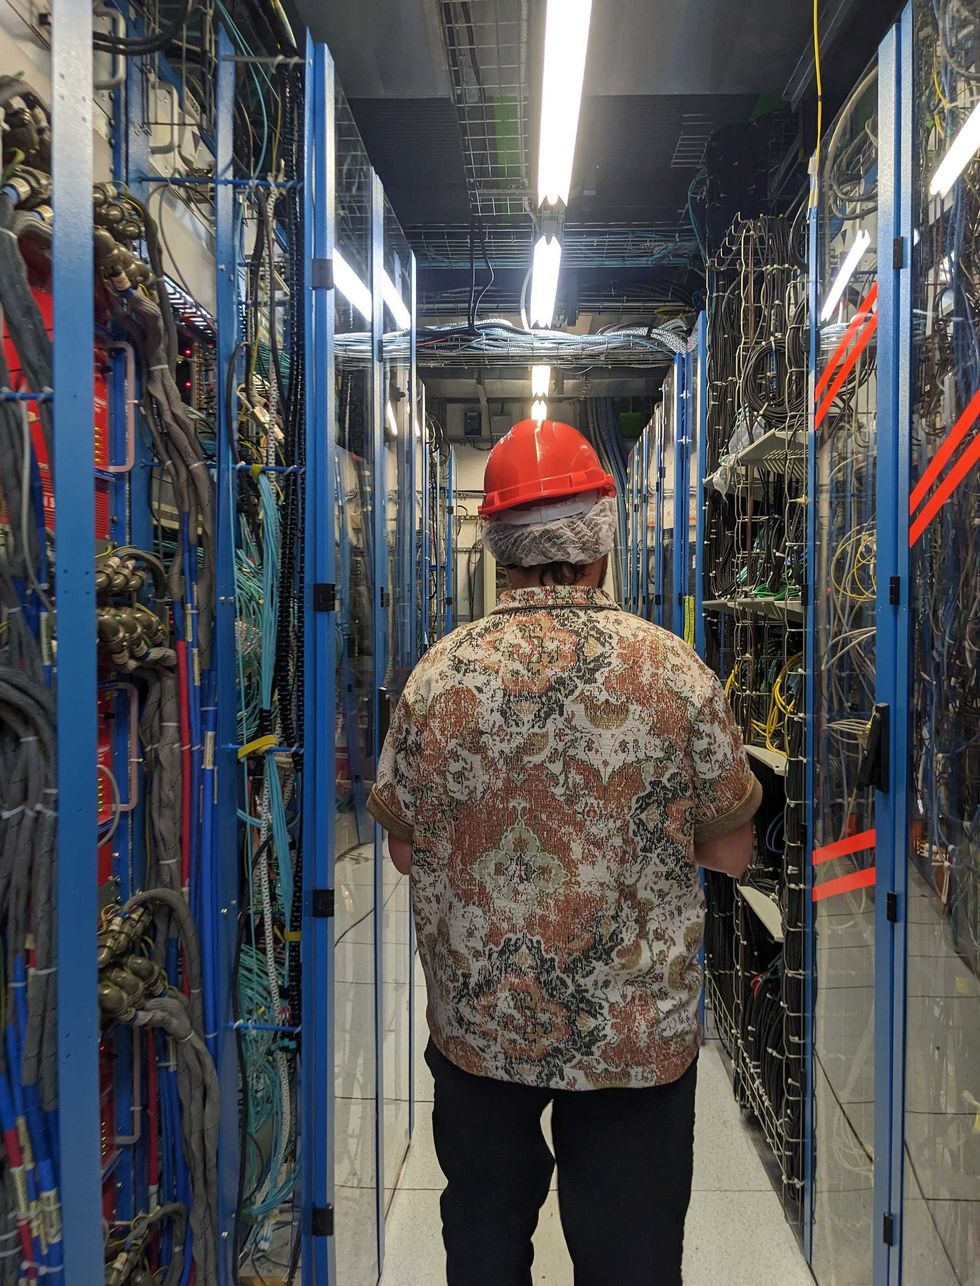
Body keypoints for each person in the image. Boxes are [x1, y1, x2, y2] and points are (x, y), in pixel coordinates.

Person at [368, 418, 761, 1286]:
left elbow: (402, 852)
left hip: (481, 1032)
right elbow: (732, 851)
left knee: (484, 1239)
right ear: (602, 545)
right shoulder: (673, 673)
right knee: (631, 1258)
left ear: (498, 548)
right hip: (634, 1046)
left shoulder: (437, 676)